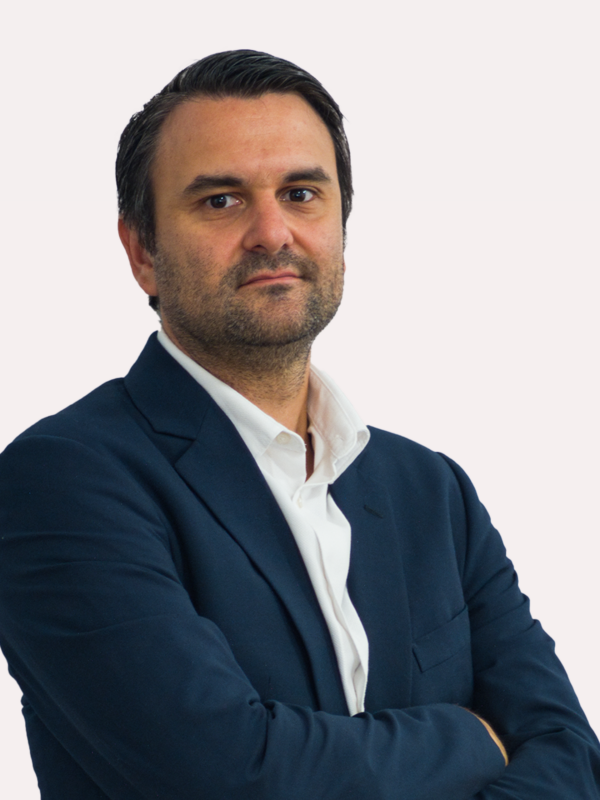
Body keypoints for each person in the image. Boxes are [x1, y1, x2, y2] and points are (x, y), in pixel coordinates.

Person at [0, 49, 598, 800]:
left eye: (302, 193)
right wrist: (472, 736)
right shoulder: (60, 482)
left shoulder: (431, 491)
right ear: (142, 251)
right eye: (221, 200)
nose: (272, 232)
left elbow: (568, 753)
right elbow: (228, 776)